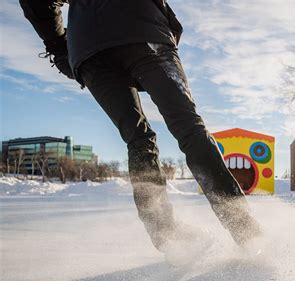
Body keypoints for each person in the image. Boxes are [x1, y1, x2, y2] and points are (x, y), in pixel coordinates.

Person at [19, 0, 260, 250]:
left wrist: (60, 47)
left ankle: (166, 236)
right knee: (188, 127)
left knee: (138, 140)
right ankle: (245, 230)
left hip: (89, 50)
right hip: (143, 30)